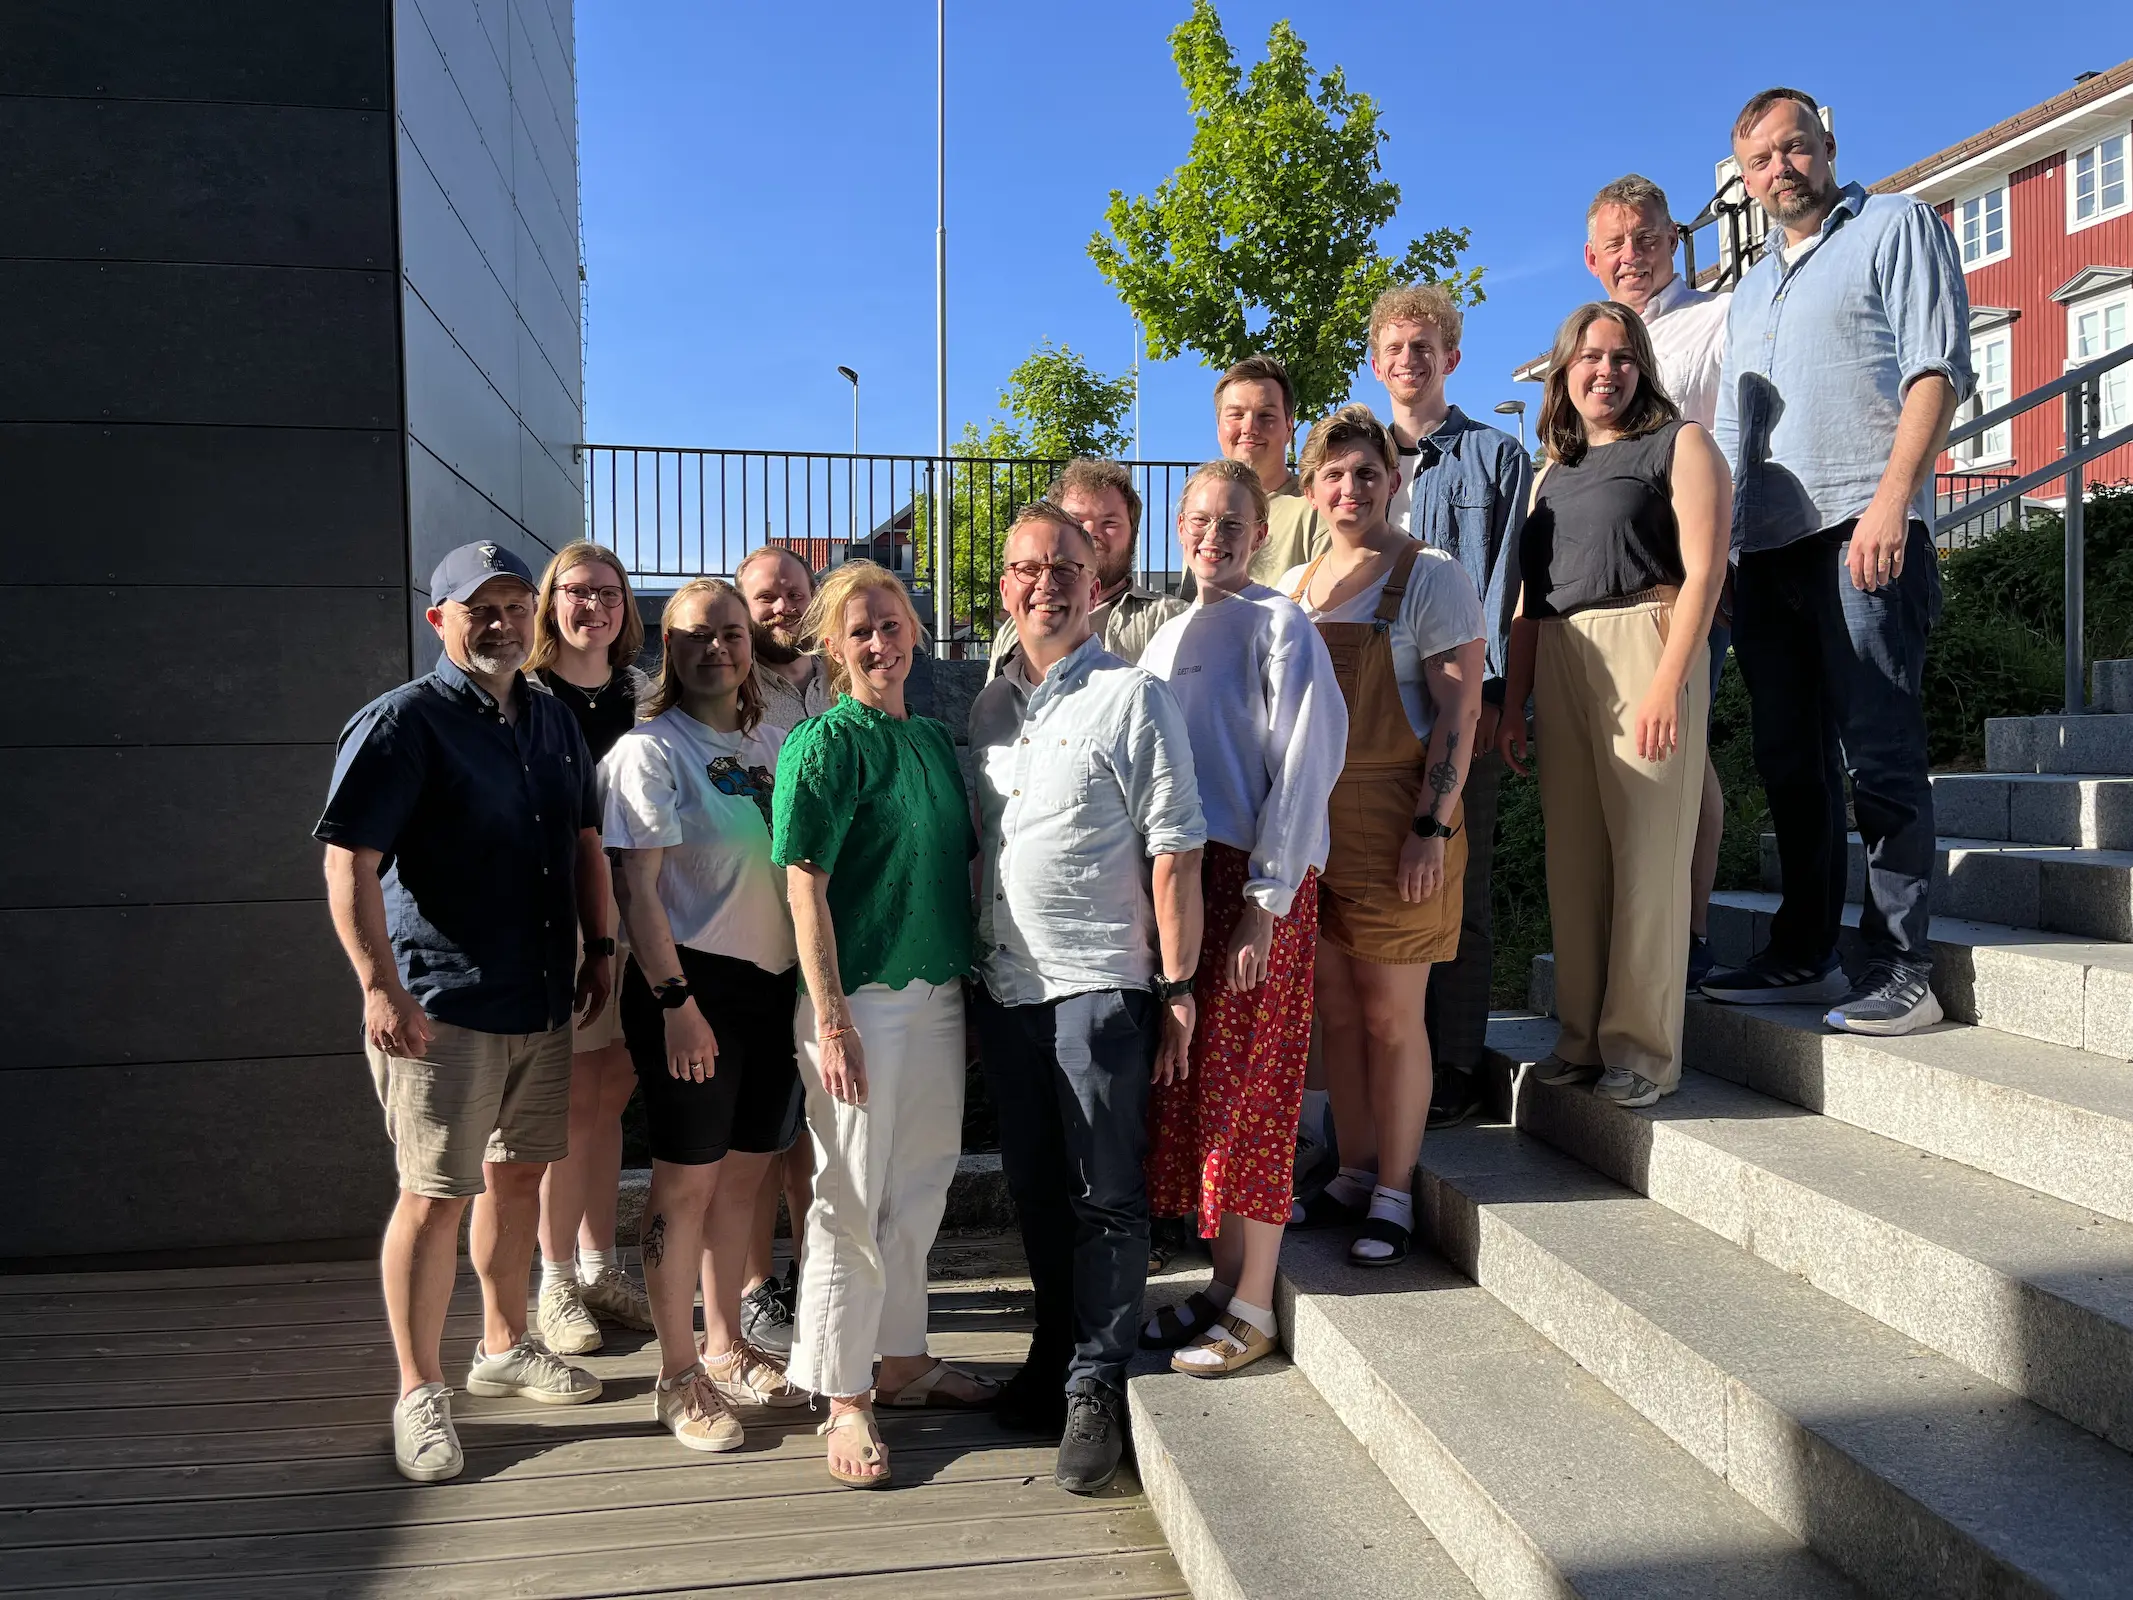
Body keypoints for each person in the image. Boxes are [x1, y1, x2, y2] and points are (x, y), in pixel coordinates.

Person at [315, 541, 607, 1485]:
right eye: (479, 608)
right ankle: (418, 1389)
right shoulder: (401, 723)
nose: (502, 623)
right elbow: (348, 863)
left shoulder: (551, 718)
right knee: (435, 1197)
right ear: (438, 618)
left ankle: (504, 1344)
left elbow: (582, 840)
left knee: (517, 1181)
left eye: (516, 606)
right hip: (441, 1007)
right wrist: (378, 988)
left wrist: (601, 949)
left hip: (541, 997)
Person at [1704, 87, 1971, 1036]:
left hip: (1862, 527)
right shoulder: (1747, 290)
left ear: (1826, 146)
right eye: (1760, 160)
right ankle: (1802, 950)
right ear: (1745, 180)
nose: (1781, 168)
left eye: (1795, 147)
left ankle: (1901, 965)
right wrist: (1723, 553)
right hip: (1765, 551)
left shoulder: (1894, 226)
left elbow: (1936, 368)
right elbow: (1732, 430)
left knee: (1880, 754)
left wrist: (1892, 502)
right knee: (1789, 763)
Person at [969, 502, 1208, 1491]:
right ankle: (1052, 1352)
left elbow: (1176, 848)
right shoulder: (988, 707)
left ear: (1096, 584)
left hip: (1101, 986)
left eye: (1064, 567)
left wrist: (1178, 987)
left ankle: (1096, 1382)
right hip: (1006, 987)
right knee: (1034, 1186)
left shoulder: (1132, 697)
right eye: (1028, 569)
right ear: (1005, 588)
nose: (1046, 585)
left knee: (1105, 1194)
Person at [771, 561, 991, 1490]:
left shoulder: (934, 740)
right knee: (849, 1195)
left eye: (891, 625)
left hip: (937, 993)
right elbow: (803, 887)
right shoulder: (823, 745)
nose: (878, 643)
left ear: (916, 632)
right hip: (857, 1003)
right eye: (859, 630)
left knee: (922, 1183)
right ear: (833, 645)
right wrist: (831, 1019)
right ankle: (844, 1392)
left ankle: (900, 1359)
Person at [1138, 461, 1345, 1376]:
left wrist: (1265, 903)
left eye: (1232, 522)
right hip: (1186, 884)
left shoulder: (1280, 624)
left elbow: (1304, 766)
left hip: (1258, 883)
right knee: (1202, 1095)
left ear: (1259, 534)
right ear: (1178, 526)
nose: (1213, 536)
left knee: (1255, 1093)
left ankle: (1255, 1304)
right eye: (1199, 519)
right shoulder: (1164, 637)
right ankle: (1223, 1286)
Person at [1497, 302, 1732, 1107]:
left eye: (1622, 356)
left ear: (1642, 368)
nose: (1606, 371)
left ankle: (1641, 1050)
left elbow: (1705, 572)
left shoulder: (1679, 444)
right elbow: (1529, 599)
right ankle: (1582, 1040)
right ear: (1563, 371)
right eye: (1590, 357)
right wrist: (1514, 701)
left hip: (1646, 641)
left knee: (1645, 858)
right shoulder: (1550, 474)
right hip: (1563, 654)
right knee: (1575, 863)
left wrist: (1668, 681)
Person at [605, 576, 808, 1453]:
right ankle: (676, 1372)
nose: (714, 648)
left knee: (745, 1179)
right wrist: (675, 1002)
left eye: (728, 632)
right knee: (685, 1182)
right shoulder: (648, 752)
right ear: (668, 647)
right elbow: (638, 890)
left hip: (774, 988)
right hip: (692, 990)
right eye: (693, 634)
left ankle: (726, 1346)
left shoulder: (781, 740)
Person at [1280, 406, 1484, 1267]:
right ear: (1310, 488)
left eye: (1365, 472)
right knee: (1335, 1010)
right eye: (1332, 474)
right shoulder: (1292, 586)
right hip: (1311, 829)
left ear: (1392, 481)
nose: (1349, 488)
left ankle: (1394, 1191)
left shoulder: (1430, 577)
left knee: (1392, 1016)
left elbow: (1458, 713)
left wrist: (1430, 828)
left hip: (1398, 820)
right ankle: (1353, 1170)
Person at [1365, 285, 1531, 1130]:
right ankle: (1389, 1059)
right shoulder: (1357, 457)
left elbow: (1508, 579)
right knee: (1380, 881)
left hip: (1461, 701)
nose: (1409, 360)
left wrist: (1497, 697)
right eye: (1394, 347)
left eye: (1424, 346)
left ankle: (1456, 1064)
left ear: (1451, 358)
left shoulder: (1495, 457)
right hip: (1372, 709)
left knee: (1458, 885)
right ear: (1375, 361)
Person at [1584, 175, 1736, 989]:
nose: (1632, 256)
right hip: (1603, 589)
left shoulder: (1716, 320)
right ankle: (1634, 929)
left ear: (1673, 242)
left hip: (1679, 580)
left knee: (1681, 757)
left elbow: (1736, 440)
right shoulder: (1589, 343)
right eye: (1615, 244)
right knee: (1626, 762)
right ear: (1591, 257)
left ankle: (1691, 930)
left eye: (1646, 239)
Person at [524, 542, 654, 1356]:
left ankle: (601, 1267)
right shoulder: (525, 695)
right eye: (577, 592)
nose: (594, 607)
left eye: (609, 593)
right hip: (567, 915)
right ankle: (555, 1282)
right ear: (552, 602)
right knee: (570, 1103)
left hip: (645, 908)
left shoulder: (648, 695)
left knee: (612, 1095)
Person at [732, 543, 827, 1352]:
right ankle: (754, 1283)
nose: (782, 606)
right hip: (756, 930)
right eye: (765, 595)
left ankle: (817, 1271)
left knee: (819, 1125)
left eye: (794, 591)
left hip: (831, 931)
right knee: (763, 1127)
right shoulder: (724, 685)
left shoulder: (842, 677)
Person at [986, 458, 1182, 677]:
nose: (1091, 532)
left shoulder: (1171, 619)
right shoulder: (1013, 630)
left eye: (1109, 523)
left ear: (1133, 534)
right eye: (1076, 522)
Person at [1217, 354, 1327, 583]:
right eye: (1236, 415)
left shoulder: (1317, 509)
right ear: (1219, 429)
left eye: (1266, 415)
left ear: (1289, 428)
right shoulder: (1203, 516)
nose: (1249, 427)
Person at [739, 545, 833, 732]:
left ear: (814, 599)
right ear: (741, 607)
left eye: (795, 595)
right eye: (766, 597)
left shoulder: (846, 682)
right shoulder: (733, 697)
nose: (782, 607)